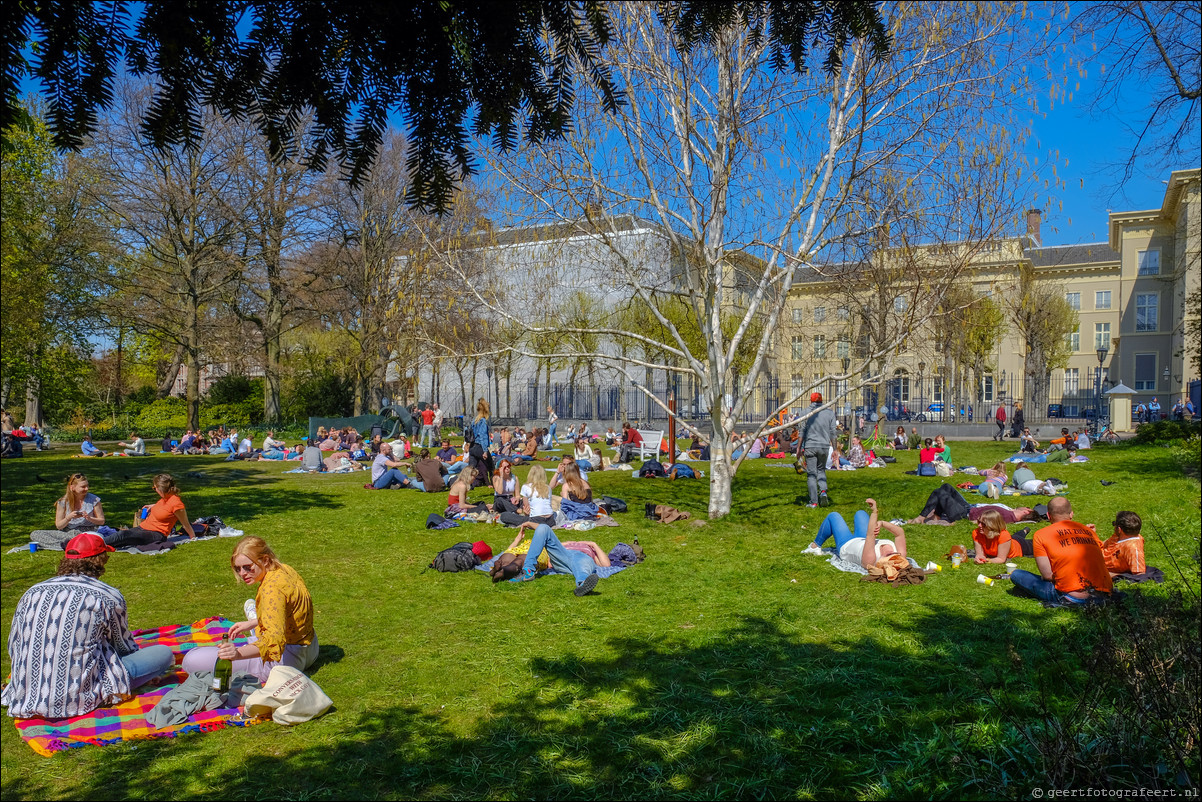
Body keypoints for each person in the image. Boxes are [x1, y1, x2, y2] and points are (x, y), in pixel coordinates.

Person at [1, 533, 175, 718]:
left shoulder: (32, 592)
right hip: (77, 695)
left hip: (25, 690)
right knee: (163, 654)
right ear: (102, 560)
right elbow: (123, 647)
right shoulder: (106, 595)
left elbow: (14, 645)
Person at [181, 536, 318, 683]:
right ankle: (255, 617)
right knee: (257, 626)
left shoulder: (271, 590)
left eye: (248, 567)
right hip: (310, 649)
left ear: (265, 560)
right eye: (238, 569)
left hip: (286, 661)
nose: (242, 573)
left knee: (191, 660)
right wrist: (253, 623)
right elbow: (289, 613)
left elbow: (274, 642)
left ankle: (254, 619)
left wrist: (237, 654)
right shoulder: (284, 569)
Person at [1008, 497, 1112, 604]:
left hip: (1071, 597)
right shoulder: (1088, 531)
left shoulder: (1040, 535)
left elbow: (1047, 575)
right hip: (1104, 595)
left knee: (1017, 574)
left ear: (1048, 516)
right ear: (1071, 514)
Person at [802, 498, 908, 570]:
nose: (891, 555)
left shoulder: (871, 560)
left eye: (888, 558)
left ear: (881, 560)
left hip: (847, 544)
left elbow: (870, 535)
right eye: (894, 557)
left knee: (833, 516)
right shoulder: (900, 555)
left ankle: (815, 546)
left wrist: (875, 512)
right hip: (862, 539)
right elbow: (899, 533)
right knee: (861, 513)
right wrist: (882, 523)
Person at [104, 474, 202, 548]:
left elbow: (185, 523)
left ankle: (92, 544)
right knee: (120, 536)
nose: (154, 490)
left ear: (161, 489)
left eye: (154, 488)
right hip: (143, 527)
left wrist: (193, 537)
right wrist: (153, 506)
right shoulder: (164, 498)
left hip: (156, 534)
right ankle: (95, 543)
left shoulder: (176, 504)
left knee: (123, 535)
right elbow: (165, 507)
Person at [507, 521, 601, 596]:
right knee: (544, 527)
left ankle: (583, 584)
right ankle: (528, 571)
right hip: (563, 555)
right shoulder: (565, 544)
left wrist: (593, 544)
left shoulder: (589, 549)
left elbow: (606, 564)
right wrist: (528, 523)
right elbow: (542, 531)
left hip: (583, 556)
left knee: (581, 565)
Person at [799, 392, 836, 508]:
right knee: (821, 470)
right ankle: (823, 491)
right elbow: (833, 432)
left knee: (811, 474)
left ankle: (814, 502)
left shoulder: (805, 412)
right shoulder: (830, 413)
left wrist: (798, 448)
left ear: (811, 401)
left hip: (810, 445)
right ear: (821, 400)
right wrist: (835, 449)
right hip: (824, 446)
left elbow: (801, 432)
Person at [1100, 510, 1146, 577]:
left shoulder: (1133, 548)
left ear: (1119, 529)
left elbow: (1139, 575)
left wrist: (1106, 574)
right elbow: (1103, 544)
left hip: (1098, 569)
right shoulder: (1119, 535)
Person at [468, 398, 495, 483]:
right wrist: (485, 451)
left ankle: (466, 487)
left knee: (471, 470)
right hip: (480, 446)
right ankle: (495, 485)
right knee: (491, 467)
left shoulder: (474, 420)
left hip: (472, 447)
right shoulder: (483, 421)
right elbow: (483, 436)